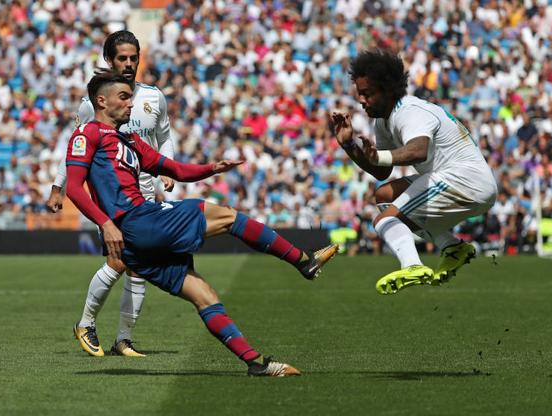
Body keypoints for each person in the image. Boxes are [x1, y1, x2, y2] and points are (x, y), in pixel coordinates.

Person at [65, 70, 338, 376]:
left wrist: (211, 168)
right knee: (227, 215)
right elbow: (74, 187)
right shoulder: (87, 134)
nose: (131, 104)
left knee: (203, 294)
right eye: (124, 97)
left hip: (135, 246)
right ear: (101, 101)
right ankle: (303, 261)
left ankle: (255, 364)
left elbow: (175, 169)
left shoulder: (130, 141)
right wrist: (106, 223)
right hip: (136, 222)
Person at [46, 31, 175, 357]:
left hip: (146, 192)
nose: (129, 64)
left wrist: (169, 169)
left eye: (134, 57)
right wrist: (59, 186)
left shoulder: (153, 97)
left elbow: (164, 137)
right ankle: (87, 323)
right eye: (122, 58)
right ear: (109, 60)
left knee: (137, 265)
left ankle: (122, 339)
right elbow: (76, 146)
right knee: (119, 260)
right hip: (114, 196)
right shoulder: (95, 103)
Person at [329, 49, 497, 295]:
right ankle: (452, 247)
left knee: (385, 220)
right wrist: (349, 145)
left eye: (367, 94)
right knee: (384, 196)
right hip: (452, 179)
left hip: (465, 181)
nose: (362, 101)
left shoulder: (409, 110)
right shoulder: (384, 120)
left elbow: (418, 151)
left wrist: (379, 155)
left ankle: (412, 265)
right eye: (360, 94)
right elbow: (382, 171)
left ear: (386, 90)